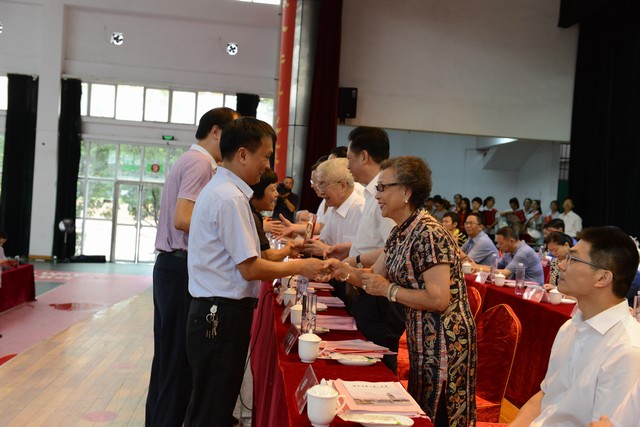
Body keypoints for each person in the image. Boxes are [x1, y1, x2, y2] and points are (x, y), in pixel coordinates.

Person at [185, 118, 326, 426]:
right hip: (220, 315)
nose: (267, 166)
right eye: (266, 156)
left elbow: (252, 257)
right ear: (243, 155)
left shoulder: (226, 191)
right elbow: (250, 267)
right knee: (212, 409)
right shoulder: (230, 198)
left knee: (209, 405)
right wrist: (302, 266)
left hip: (216, 312)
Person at [324, 156, 477, 427]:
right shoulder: (400, 232)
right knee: (422, 406)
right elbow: (374, 277)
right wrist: (341, 270)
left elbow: (439, 299)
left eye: (383, 188)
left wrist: (390, 290)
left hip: (446, 341)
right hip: (421, 335)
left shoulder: (429, 233)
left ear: (406, 191)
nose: (377, 195)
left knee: (441, 414)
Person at [146, 107, 239, 427]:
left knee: (168, 360)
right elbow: (183, 218)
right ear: (216, 132)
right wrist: (225, 231)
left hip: (172, 267)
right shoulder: (201, 163)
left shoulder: (192, 159)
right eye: (232, 133)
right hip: (180, 266)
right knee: (177, 363)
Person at [511, 226, 640, 426]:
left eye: (572, 259)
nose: (561, 265)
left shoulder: (626, 350)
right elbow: (545, 397)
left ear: (602, 278)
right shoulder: (570, 326)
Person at [323, 126, 404, 372]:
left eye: (349, 159)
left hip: (378, 292)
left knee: (376, 363)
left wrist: (355, 260)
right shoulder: (371, 192)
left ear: (364, 157)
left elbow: (392, 247)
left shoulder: (385, 194)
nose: (347, 167)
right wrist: (350, 256)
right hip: (364, 284)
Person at [302, 158, 365, 257]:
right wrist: (303, 246)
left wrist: (327, 250)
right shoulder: (333, 207)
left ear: (343, 186)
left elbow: (364, 254)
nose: (320, 191)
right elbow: (324, 241)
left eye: (323, 185)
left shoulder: (362, 211)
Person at [249, 168, 298, 261]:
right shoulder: (253, 216)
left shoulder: (255, 215)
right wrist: (288, 249)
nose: (277, 194)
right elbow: (267, 256)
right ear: (257, 192)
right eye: (273, 189)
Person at [473, 226, 544, 284]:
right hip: (520, 286)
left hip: (532, 291)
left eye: (501, 243)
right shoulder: (508, 251)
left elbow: (503, 273)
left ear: (511, 241)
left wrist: (475, 267)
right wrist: (475, 266)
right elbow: (495, 267)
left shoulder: (524, 252)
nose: (498, 246)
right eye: (497, 243)